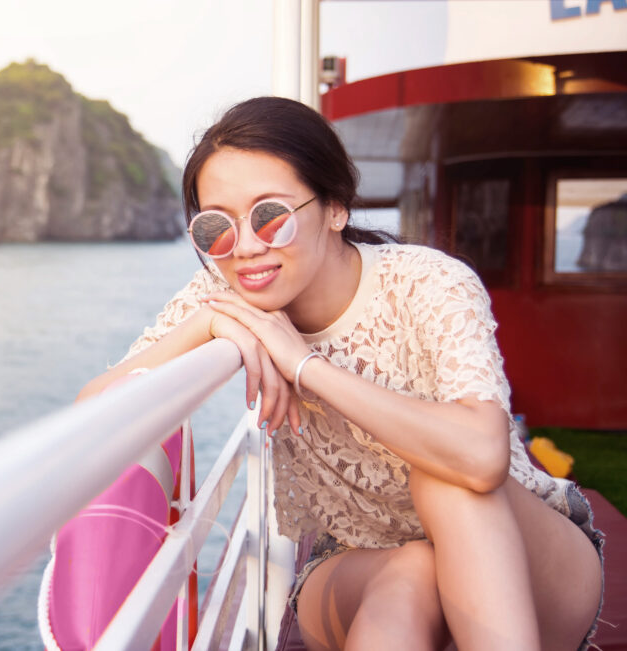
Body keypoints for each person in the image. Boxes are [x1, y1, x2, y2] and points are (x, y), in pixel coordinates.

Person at [78, 97, 604, 650]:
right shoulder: (223, 297)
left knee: (446, 480)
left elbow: (482, 458)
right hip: (364, 564)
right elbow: (95, 408)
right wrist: (206, 324)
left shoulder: (427, 284)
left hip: (525, 561)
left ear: (335, 207)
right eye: (217, 228)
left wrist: (303, 366)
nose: (248, 247)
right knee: (412, 572)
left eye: (270, 216)